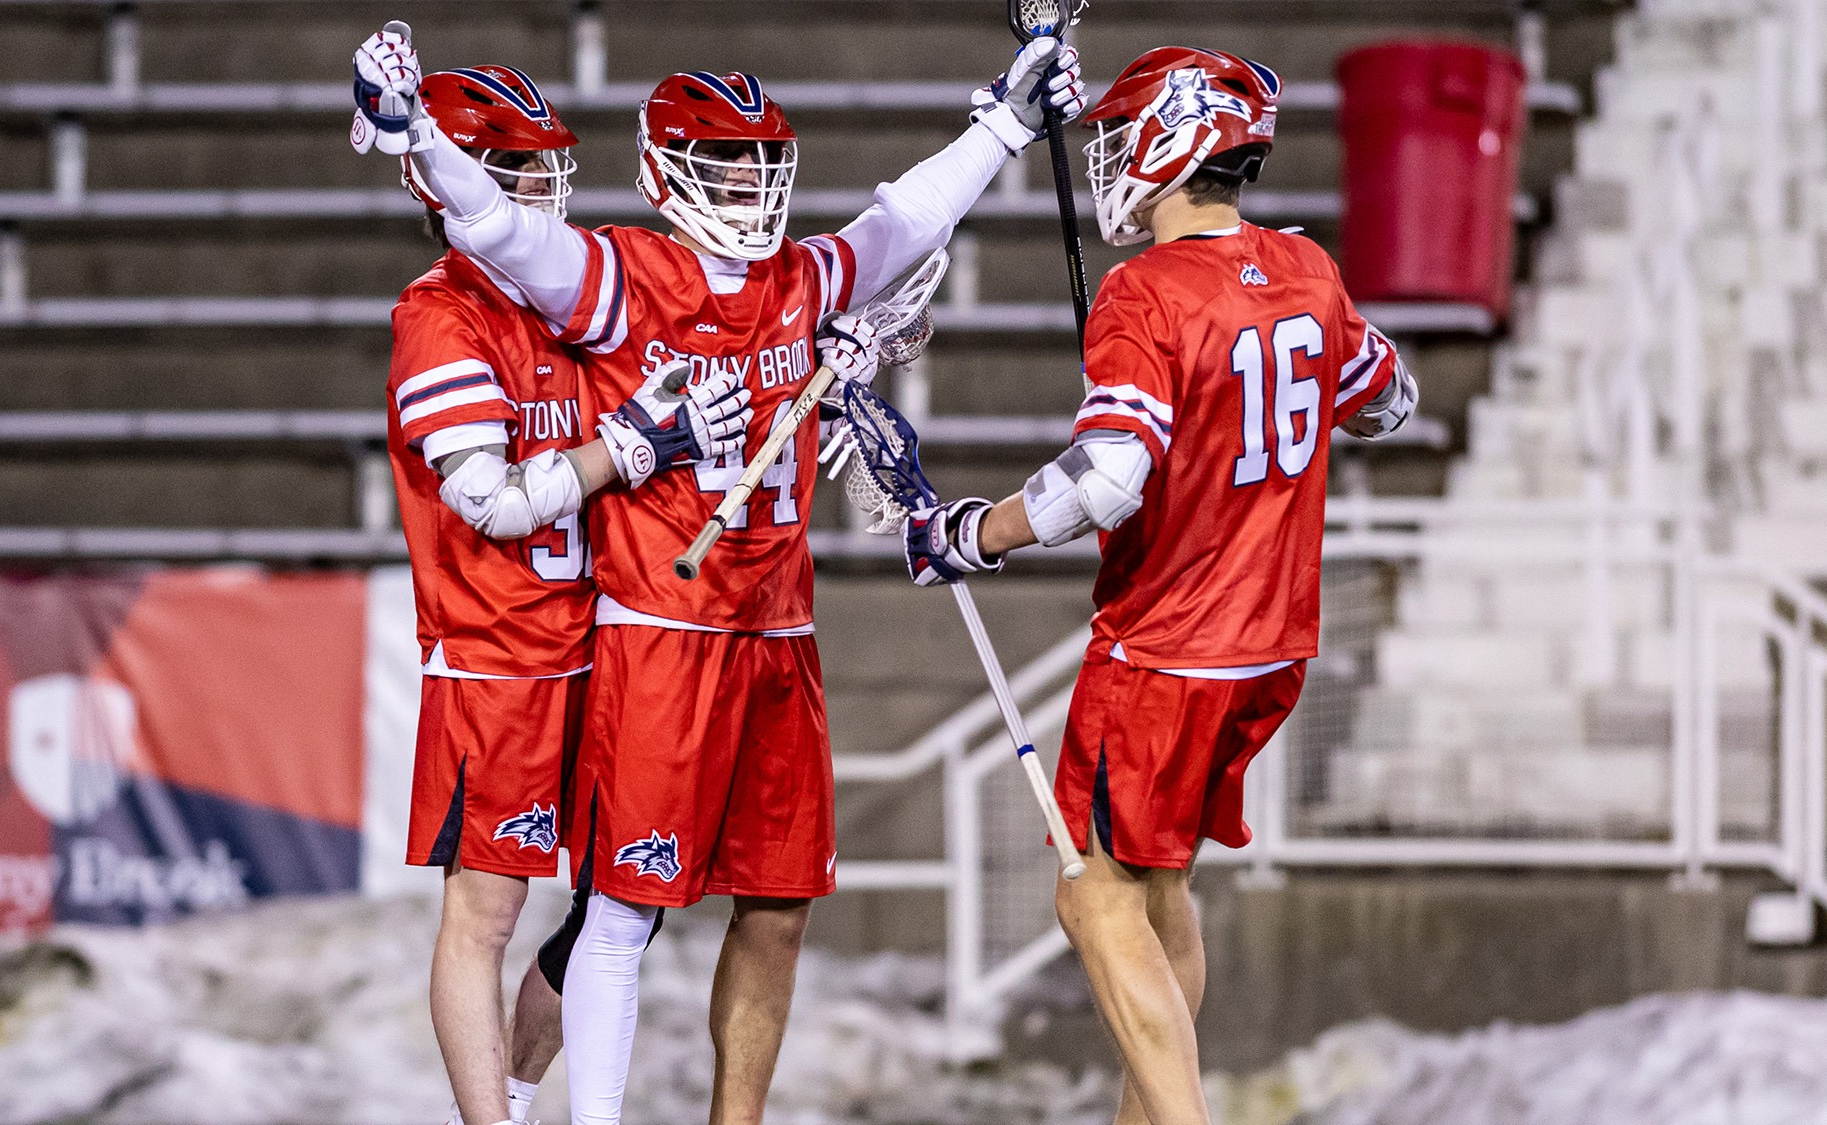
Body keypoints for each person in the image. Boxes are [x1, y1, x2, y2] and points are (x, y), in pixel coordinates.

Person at [354, 26, 1084, 1125]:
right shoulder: (615, 280)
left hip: (776, 637)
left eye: (759, 165)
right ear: (662, 174)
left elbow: (907, 221)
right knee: (610, 910)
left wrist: (1003, 121)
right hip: (647, 634)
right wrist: (418, 134)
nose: (745, 186)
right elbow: (496, 228)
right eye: (721, 166)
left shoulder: (799, 280)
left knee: (768, 908)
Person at [899, 47, 1418, 1125]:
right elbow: (1388, 399)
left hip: (1164, 652)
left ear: (1165, 146)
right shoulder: (1305, 269)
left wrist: (970, 534)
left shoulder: (1143, 293)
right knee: (1155, 883)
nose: (1108, 159)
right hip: (1272, 649)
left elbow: (1103, 480)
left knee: (1091, 898)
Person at [368, 58, 751, 1125]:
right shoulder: (440, 315)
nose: (537, 193)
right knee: (485, 913)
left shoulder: (578, 296)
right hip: (500, 654)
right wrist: (624, 452)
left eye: (547, 170)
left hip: (617, 639)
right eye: (512, 170)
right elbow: (490, 500)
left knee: (620, 904)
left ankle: (524, 1099)